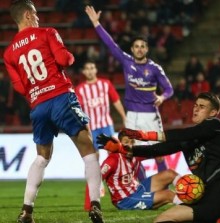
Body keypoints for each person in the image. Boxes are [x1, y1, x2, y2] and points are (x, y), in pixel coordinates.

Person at [98, 92, 220, 223]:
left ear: (213, 112)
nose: (195, 108)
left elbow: (183, 135)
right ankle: (217, 219)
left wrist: (144, 135)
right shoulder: (188, 140)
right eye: (195, 105)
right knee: (162, 219)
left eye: (201, 106)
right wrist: (123, 150)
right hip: (208, 198)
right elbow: (157, 150)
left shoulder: (214, 125)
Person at [3, 1, 103, 223]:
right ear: (28, 15)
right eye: (36, 14)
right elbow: (64, 60)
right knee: (88, 149)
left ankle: (26, 211)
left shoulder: (9, 52)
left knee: (41, 157)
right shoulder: (47, 33)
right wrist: (70, 56)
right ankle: (95, 205)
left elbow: (19, 87)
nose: (38, 18)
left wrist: (36, 94)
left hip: (38, 106)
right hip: (60, 96)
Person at [85, 5, 174, 180]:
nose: (139, 49)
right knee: (133, 154)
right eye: (136, 46)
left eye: (143, 46)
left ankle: (164, 186)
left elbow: (170, 89)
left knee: (159, 153)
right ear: (132, 49)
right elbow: (111, 44)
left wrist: (162, 97)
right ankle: (142, 188)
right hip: (132, 116)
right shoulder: (126, 62)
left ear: (147, 49)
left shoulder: (155, 68)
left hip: (151, 116)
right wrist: (96, 24)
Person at [75, 59, 127, 210]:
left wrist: (124, 117)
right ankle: (95, 188)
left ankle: (120, 185)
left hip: (106, 126)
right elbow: (78, 110)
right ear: (84, 72)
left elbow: (116, 101)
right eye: (87, 68)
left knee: (116, 155)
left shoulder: (105, 84)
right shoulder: (80, 89)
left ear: (96, 70)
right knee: (92, 159)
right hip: (91, 128)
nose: (90, 71)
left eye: (92, 67)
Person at [99, 131, 182, 210]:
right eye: (126, 142)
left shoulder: (135, 153)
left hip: (137, 189)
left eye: (132, 142)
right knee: (168, 194)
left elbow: (156, 151)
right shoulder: (113, 159)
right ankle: (189, 205)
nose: (130, 145)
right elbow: (97, 176)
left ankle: (187, 190)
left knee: (170, 173)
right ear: (119, 143)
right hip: (125, 200)